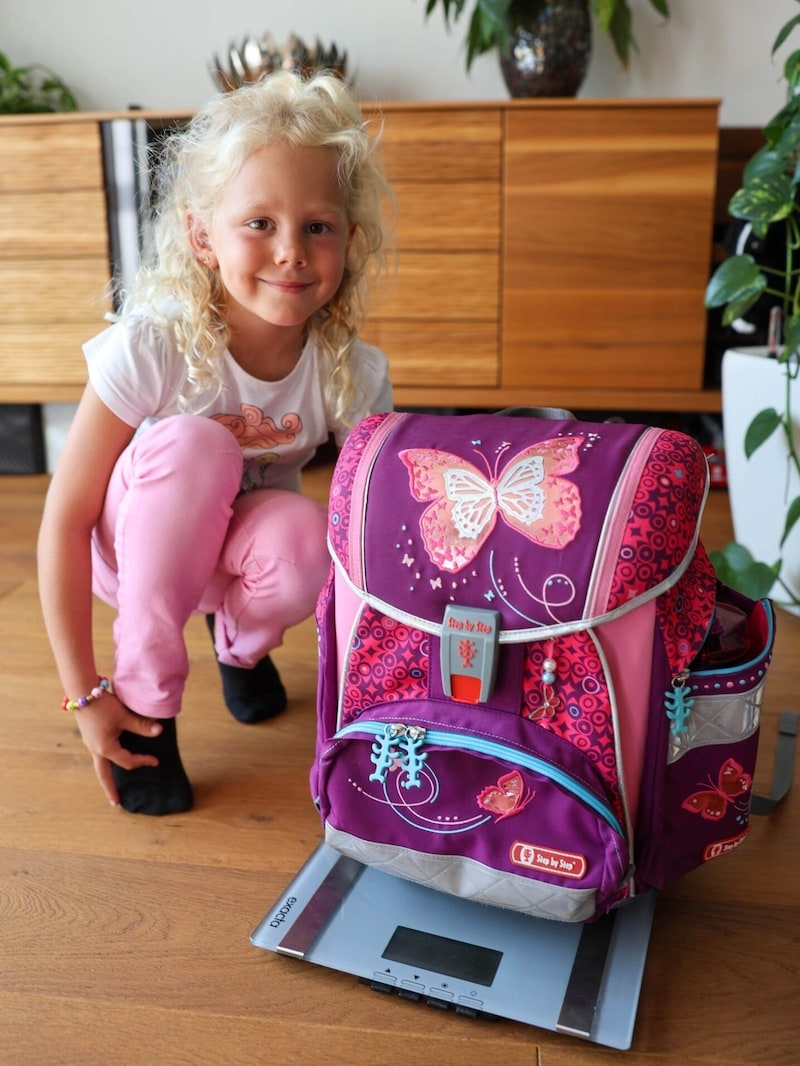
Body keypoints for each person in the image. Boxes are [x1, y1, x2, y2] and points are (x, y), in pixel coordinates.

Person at [37, 70, 394, 817]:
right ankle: (147, 704)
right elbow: (64, 522)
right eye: (259, 223)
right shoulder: (154, 346)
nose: (291, 252)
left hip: (230, 558)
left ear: (348, 241)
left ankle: (238, 646)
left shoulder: (351, 375)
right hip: (131, 558)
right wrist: (86, 695)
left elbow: (377, 537)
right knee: (200, 446)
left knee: (311, 533)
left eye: (317, 226)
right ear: (202, 235)